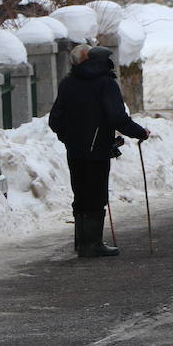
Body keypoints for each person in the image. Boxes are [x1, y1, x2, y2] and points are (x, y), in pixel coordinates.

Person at [48, 44, 150, 257]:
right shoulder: (106, 83)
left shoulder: (68, 83)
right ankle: (92, 245)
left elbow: (55, 120)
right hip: (98, 150)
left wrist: (70, 138)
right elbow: (117, 118)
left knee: (81, 193)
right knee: (96, 194)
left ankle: (82, 243)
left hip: (75, 151)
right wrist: (140, 132)